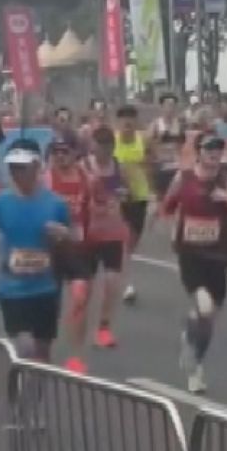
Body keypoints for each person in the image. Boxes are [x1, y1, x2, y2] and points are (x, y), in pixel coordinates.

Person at [160, 133, 227, 394]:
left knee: (208, 318)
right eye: (209, 148)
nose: (215, 152)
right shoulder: (184, 178)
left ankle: (193, 350)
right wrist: (173, 230)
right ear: (198, 152)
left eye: (219, 148)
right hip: (190, 255)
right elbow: (167, 207)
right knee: (205, 307)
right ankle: (195, 369)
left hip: (218, 256)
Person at [0, 140, 72, 362]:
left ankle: (33, 392)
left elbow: (75, 237)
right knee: (25, 346)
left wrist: (63, 234)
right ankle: (22, 384)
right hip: (12, 289)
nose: (16, 172)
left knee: (42, 352)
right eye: (12, 167)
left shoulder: (56, 204)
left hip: (46, 288)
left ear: (37, 166)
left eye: (22, 167)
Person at [44, 135, 97, 372]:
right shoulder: (45, 179)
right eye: (55, 151)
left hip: (78, 249)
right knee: (49, 306)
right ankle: (43, 347)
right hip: (50, 251)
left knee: (79, 297)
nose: (60, 156)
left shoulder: (88, 179)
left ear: (75, 154)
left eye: (64, 151)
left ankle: (76, 356)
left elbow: (97, 209)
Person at [80, 126, 134, 349]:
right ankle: (80, 321)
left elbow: (128, 190)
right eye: (100, 147)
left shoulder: (117, 166)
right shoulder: (83, 167)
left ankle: (103, 328)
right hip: (89, 233)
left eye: (108, 148)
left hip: (112, 231)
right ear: (93, 146)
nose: (104, 153)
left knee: (112, 282)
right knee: (86, 287)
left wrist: (123, 194)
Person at [110, 105, 154, 303]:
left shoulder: (143, 140)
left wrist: (154, 193)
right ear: (119, 122)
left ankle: (119, 269)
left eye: (131, 119)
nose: (127, 123)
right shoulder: (112, 142)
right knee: (125, 240)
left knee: (133, 241)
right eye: (124, 120)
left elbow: (152, 163)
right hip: (119, 198)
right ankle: (127, 284)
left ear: (136, 122)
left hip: (140, 196)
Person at [148, 93, 188, 197]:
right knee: (161, 196)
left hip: (176, 165)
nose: (171, 108)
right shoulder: (155, 125)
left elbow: (183, 144)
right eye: (168, 105)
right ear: (162, 107)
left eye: (173, 105)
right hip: (161, 166)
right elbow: (148, 144)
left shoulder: (180, 125)